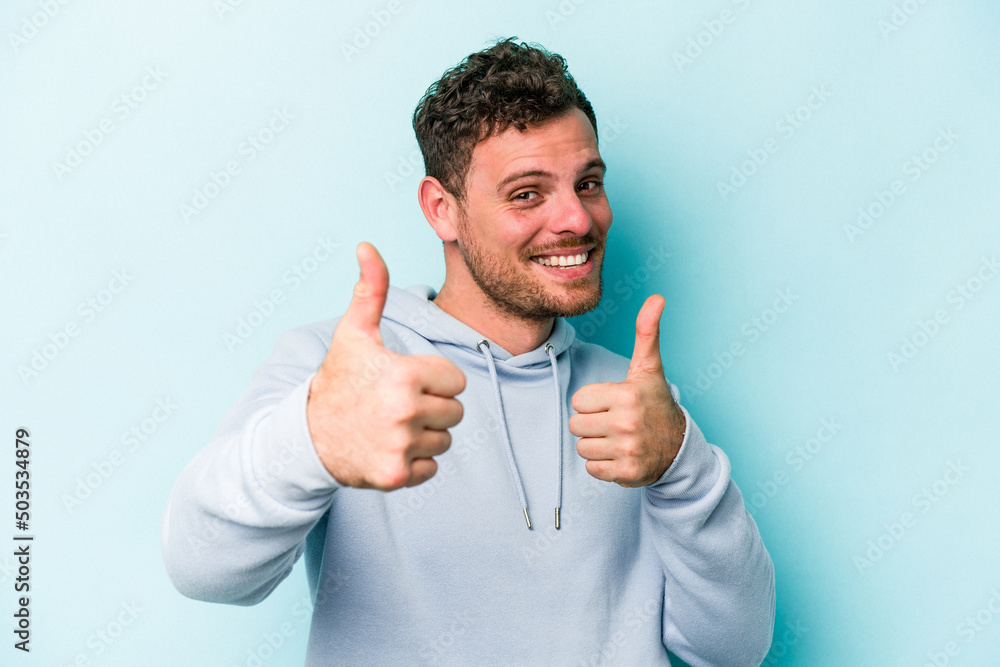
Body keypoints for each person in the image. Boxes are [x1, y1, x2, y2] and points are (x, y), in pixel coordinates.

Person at [161, 36, 775, 666]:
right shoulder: (346, 374)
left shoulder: (637, 403)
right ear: (441, 210)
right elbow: (201, 568)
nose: (578, 219)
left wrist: (682, 467)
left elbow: (732, 651)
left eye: (587, 183)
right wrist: (313, 438)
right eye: (527, 193)